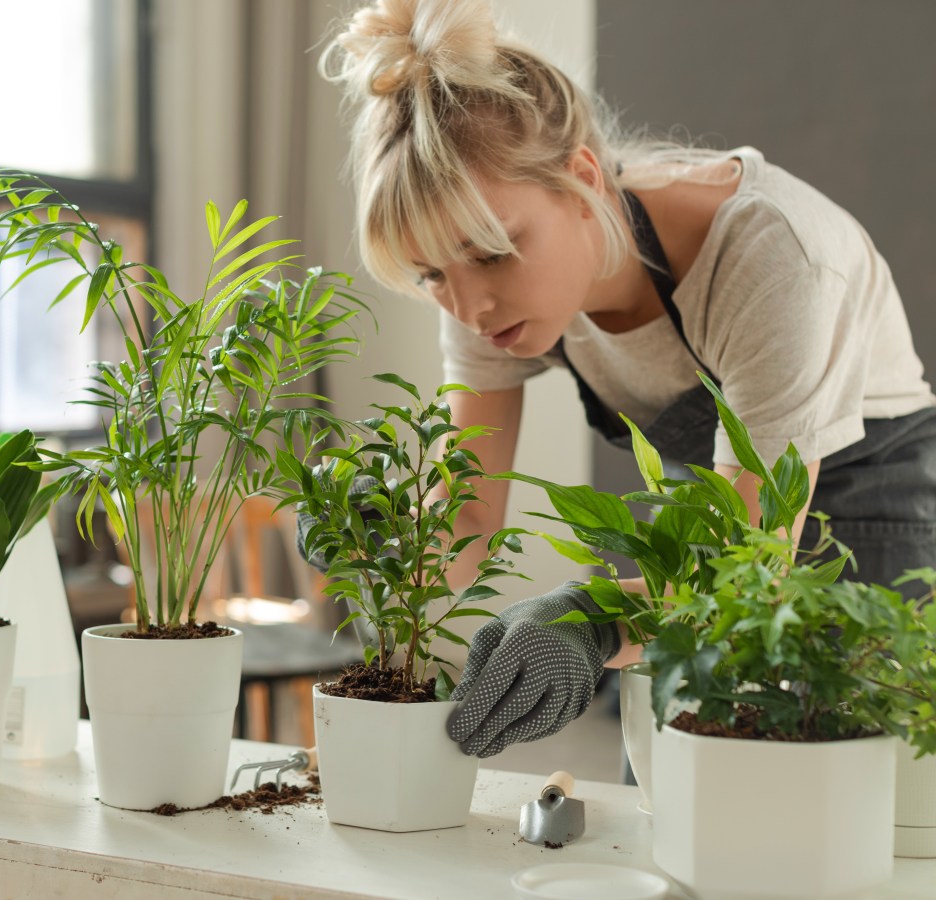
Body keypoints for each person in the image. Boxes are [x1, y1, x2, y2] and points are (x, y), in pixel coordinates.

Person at [312, 0, 936, 759]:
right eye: (430, 274)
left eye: (493, 251)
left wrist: (595, 617)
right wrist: (378, 535)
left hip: (862, 531)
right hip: (705, 536)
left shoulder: (772, 260)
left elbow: (750, 577)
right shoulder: (480, 294)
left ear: (580, 181)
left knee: (853, 825)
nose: (468, 306)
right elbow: (469, 521)